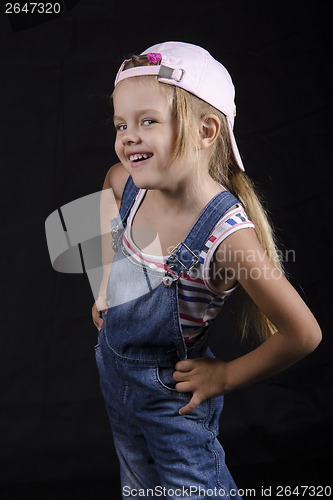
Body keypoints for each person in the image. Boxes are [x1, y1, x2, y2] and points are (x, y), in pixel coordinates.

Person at [91, 41, 321, 499]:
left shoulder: (226, 235)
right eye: (121, 124)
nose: (127, 137)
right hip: (115, 380)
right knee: (138, 484)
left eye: (147, 121)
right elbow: (107, 193)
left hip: (170, 401)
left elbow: (304, 333)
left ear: (206, 130)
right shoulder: (131, 186)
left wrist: (225, 376)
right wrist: (107, 284)